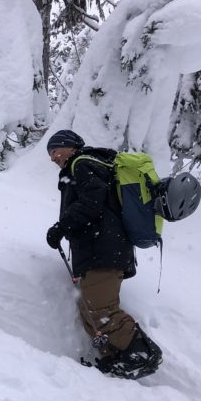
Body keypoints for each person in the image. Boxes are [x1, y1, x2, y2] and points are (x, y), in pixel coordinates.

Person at [44, 129, 162, 378]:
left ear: (69, 146)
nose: (52, 157)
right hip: (99, 250)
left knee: (101, 310)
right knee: (89, 309)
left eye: (55, 150)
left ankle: (141, 354)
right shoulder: (85, 165)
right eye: (49, 153)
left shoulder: (82, 163)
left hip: (103, 250)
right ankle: (116, 356)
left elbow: (91, 202)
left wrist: (61, 227)